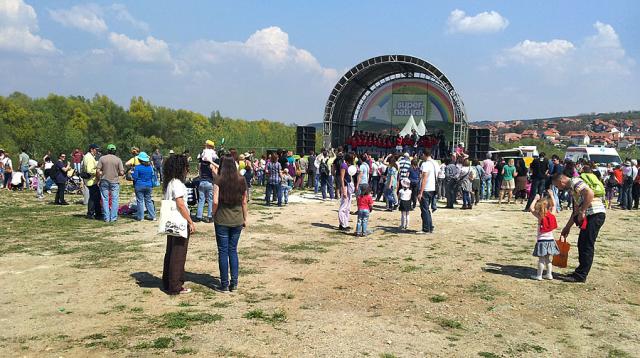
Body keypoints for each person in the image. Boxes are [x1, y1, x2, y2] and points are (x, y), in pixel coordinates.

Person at [553, 167, 606, 283]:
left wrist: (583, 212)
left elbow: (590, 193)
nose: (559, 188)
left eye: (557, 186)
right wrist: (567, 227)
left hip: (595, 214)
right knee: (582, 243)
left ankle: (581, 275)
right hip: (591, 215)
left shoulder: (575, 182)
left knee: (586, 244)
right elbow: (575, 212)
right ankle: (579, 272)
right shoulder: (573, 190)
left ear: (561, 181)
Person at [213, 156, 248, 293]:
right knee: (233, 250)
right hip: (237, 220)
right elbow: (244, 201)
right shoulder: (241, 180)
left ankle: (224, 284)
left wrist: (212, 213)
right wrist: (245, 218)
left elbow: (215, 201)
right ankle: (234, 283)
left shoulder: (218, 180)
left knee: (223, 251)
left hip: (221, 220)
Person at [161, 154, 196, 295]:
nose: (187, 170)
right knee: (178, 253)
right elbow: (181, 204)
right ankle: (175, 285)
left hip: (170, 221)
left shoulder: (170, 183)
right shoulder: (178, 184)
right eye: (186, 167)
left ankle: (168, 281)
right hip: (179, 221)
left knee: (170, 251)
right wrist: (190, 221)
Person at [529, 194, 560, 280]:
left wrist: (535, 199)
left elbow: (531, 208)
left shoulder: (540, 217)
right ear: (549, 207)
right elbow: (555, 205)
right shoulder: (552, 215)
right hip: (550, 240)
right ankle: (549, 274)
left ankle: (539, 275)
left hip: (542, 241)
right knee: (548, 259)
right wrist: (552, 195)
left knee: (541, 259)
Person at [97, 144, 124, 222]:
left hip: (104, 180)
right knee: (114, 199)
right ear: (115, 151)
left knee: (105, 199)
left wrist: (99, 179)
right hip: (114, 181)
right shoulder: (118, 159)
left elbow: (98, 170)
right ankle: (113, 218)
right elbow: (122, 172)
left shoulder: (102, 158)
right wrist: (117, 173)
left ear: (107, 150)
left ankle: (106, 218)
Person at [418, 149, 438, 234]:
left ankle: (426, 228)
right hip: (433, 188)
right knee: (427, 209)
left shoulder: (425, 164)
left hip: (426, 188)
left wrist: (420, 192)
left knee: (424, 210)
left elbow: (424, 178)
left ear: (424, 154)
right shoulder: (435, 163)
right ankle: (430, 226)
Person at [132, 152, 156, 221]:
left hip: (139, 185)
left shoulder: (137, 167)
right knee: (149, 201)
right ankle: (152, 216)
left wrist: (131, 174)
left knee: (140, 201)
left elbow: (135, 177)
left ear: (139, 160)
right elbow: (152, 176)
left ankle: (140, 217)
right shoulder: (150, 167)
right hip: (149, 185)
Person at [82, 144, 102, 219]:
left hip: (91, 180)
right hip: (91, 181)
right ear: (91, 149)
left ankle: (96, 213)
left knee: (96, 197)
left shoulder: (89, 156)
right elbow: (90, 170)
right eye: (96, 150)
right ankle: (90, 214)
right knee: (93, 198)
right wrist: (98, 172)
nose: (97, 151)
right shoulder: (89, 157)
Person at [196, 156, 215, 223]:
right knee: (210, 200)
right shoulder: (211, 165)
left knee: (201, 200)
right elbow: (213, 174)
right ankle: (209, 216)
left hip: (201, 182)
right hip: (209, 182)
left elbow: (200, 174)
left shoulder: (200, 164)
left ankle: (199, 216)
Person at [338, 153, 355, 230]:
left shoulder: (348, 166)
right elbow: (341, 178)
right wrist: (344, 190)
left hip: (349, 186)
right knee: (343, 206)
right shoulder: (344, 165)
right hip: (345, 186)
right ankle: (342, 224)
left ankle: (346, 223)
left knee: (348, 207)